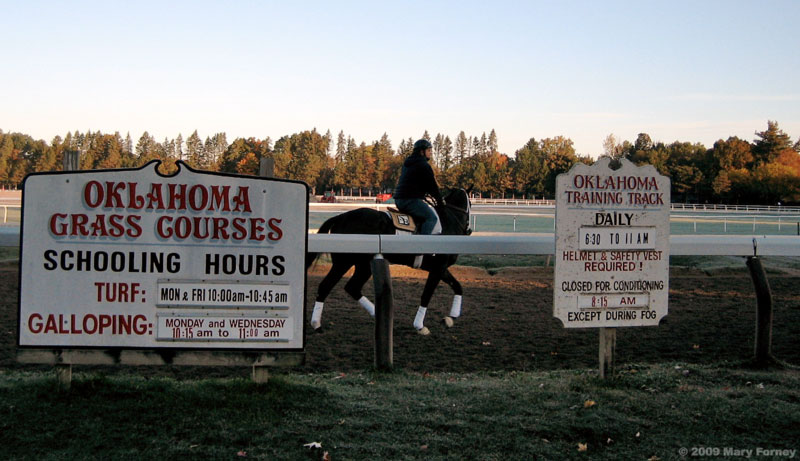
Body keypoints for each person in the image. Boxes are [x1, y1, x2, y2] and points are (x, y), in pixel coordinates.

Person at [393, 139, 443, 235]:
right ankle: (422, 246)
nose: (430, 153)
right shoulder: (424, 165)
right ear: (422, 152)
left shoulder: (407, 163)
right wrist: (440, 201)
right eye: (428, 151)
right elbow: (433, 187)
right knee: (431, 218)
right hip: (410, 201)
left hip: (399, 200)